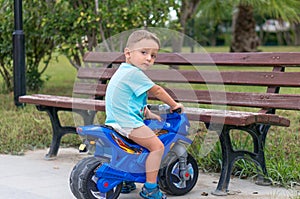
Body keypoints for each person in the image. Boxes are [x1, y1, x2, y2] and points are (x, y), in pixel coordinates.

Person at [105, 29, 184, 199]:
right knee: (157, 147)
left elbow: (130, 100)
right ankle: (150, 188)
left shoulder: (123, 71)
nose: (149, 58)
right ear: (128, 53)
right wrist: (174, 104)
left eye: (153, 55)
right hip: (127, 122)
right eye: (144, 52)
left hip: (115, 121)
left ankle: (126, 180)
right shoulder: (134, 73)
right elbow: (158, 90)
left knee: (135, 148)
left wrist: (148, 114)